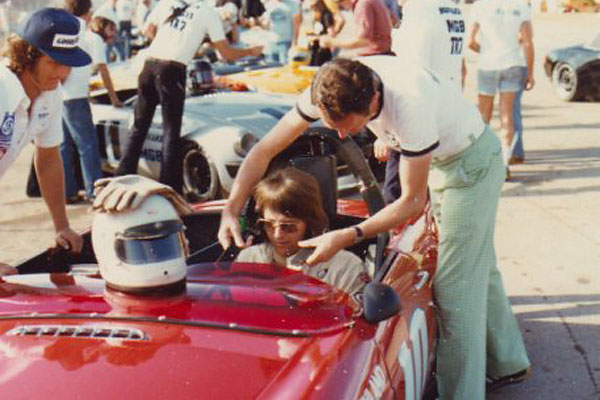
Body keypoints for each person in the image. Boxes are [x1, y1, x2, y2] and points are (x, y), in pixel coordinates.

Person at [218, 57, 531, 399]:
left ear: (372, 104)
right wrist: (231, 209)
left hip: (469, 165)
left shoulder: (409, 106)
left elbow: (411, 201)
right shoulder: (330, 86)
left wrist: (349, 235)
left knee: (455, 286)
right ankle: (508, 362)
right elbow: (264, 150)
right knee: (475, 260)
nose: (339, 135)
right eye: (332, 125)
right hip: (442, 155)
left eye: (347, 128)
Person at [115, 0, 263, 194]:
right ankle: (169, 187)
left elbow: (147, 30)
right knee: (171, 131)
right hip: (172, 69)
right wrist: (251, 51)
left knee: (139, 126)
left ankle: (121, 178)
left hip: (149, 65)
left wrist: (169, 41)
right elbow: (226, 53)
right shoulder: (208, 12)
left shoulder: (168, 2)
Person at [0, 8, 88, 275]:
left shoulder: (51, 93)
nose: (62, 72)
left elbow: (49, 157)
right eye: (53, 62)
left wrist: (61, 225)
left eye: (68, 62)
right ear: (27, 55)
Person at [236, 167, 368, 297]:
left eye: (288, 226)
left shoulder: (345, 267)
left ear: (309, 222)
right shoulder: (248, 260)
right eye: (269, 224)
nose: (277, 235)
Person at [384, 0, 467, 203]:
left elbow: (413, 75)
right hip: (447, 111)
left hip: (419, 117)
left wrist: (387, 131)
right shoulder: (453, 9)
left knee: (398, 199)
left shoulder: (418, 10)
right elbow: (461, 68)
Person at [60, 0, 122, 204]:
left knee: (64, 146)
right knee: (87, 145)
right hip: (76, 96)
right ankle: (94, 190)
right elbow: (102, 69)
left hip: (59, 94)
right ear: (89, 12)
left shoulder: (64, 32)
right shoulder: (91, 38)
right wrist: (114, 98)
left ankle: (67, 191)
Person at [467, 0, 534, 178]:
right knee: (507, 117)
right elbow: (527, 43)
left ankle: (482, 162)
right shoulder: (521, 6)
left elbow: (470, 41)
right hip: (512, 64)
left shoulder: (480, 6)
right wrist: (530, 73)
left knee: (484, 117)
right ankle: (504, 163)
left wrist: (486, 51)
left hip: (488, 65)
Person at [318, 0, 392, 57]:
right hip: (382, 52)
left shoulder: (362, 5)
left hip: (374, 56)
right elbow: (393, 20)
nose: (339, 7)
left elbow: (363, 41)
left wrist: (331, 42)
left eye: (338, 3)